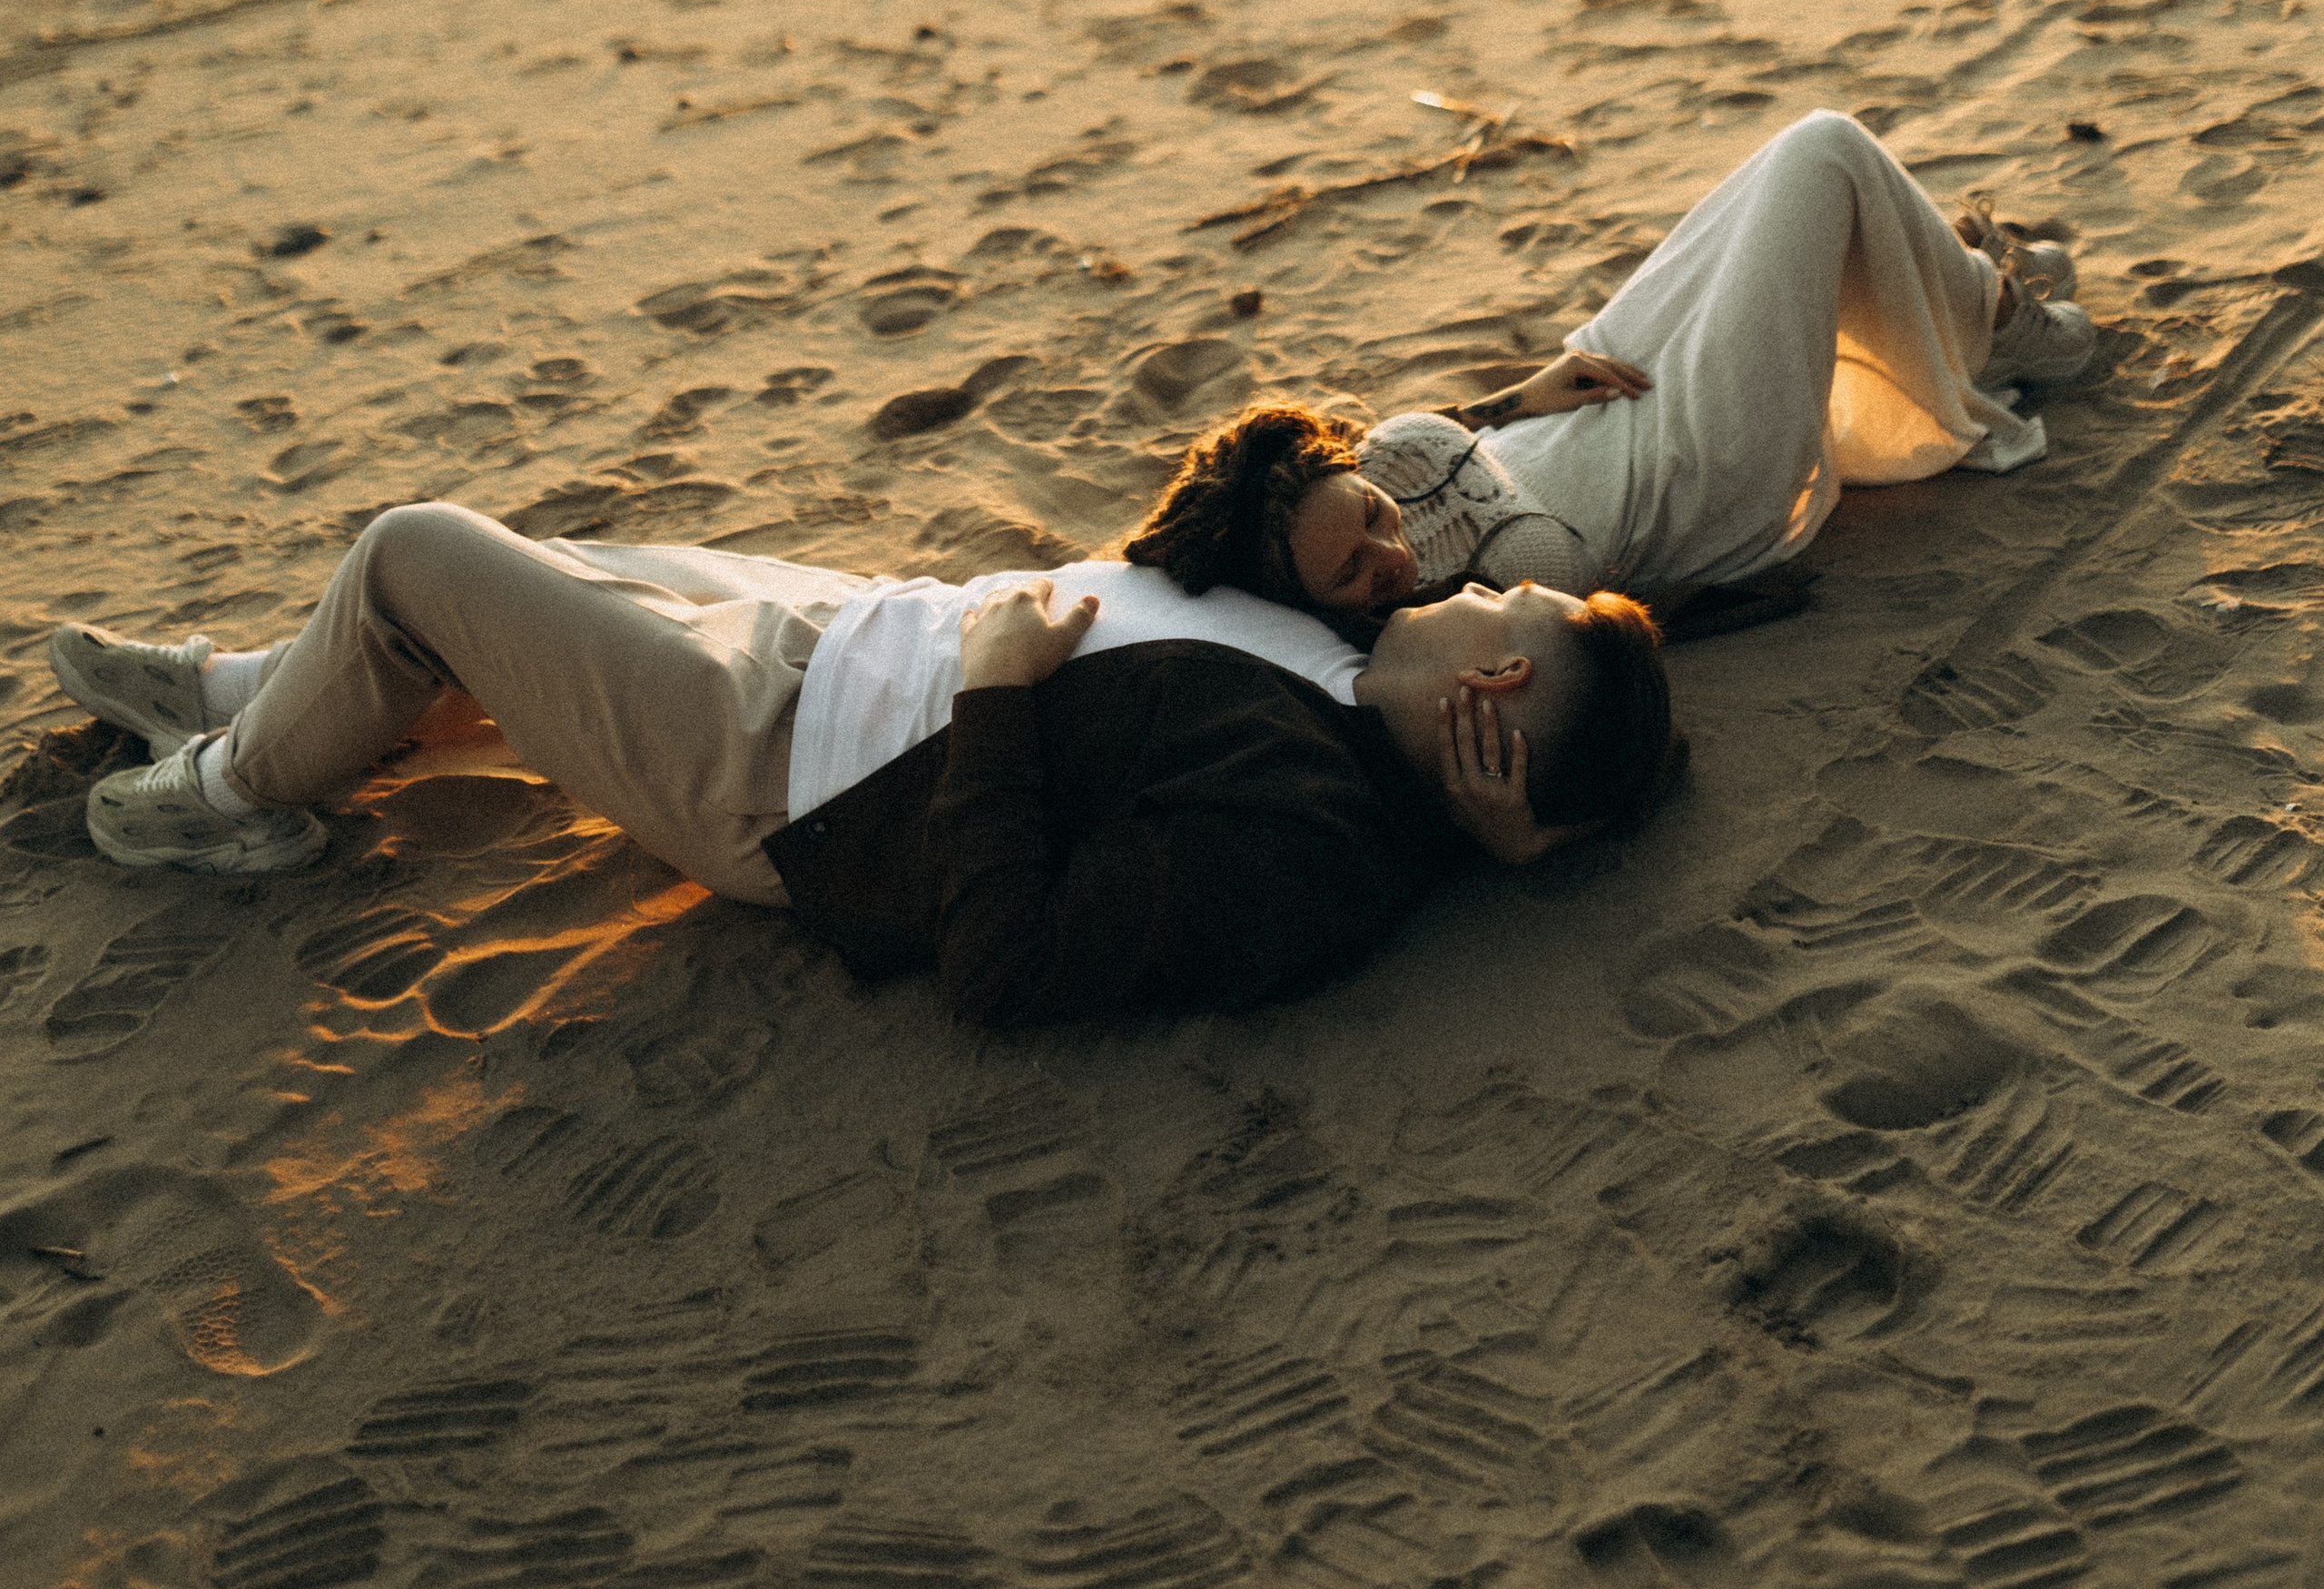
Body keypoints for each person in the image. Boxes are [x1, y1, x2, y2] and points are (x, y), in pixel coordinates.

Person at [46, 504, 1676, 1024]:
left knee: (420, 558)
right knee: (552, 564)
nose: (1471, 579)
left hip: (790, 761)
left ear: (1504, 674)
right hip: (846, 633)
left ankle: (229, 797)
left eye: (1502, 601)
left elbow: (1006, 957)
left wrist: (995, 688)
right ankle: (264, 691)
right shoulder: (1345, 642)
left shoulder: (1316, 830)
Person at [1126, 109, 2097, 628]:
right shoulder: (1422, 626)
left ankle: (1972, 292)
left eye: (1371, 518)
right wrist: (1734, 607)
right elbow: (1615, 635)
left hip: (1605, 396)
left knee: (1771, 200)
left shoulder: (1336, 498)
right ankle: (1997, 312)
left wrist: (1515, 399)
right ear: (1307, 600)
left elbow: (1435, 446)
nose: (1385, 556)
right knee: (1822, 152)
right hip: (1703, 468)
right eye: (1351, 573)